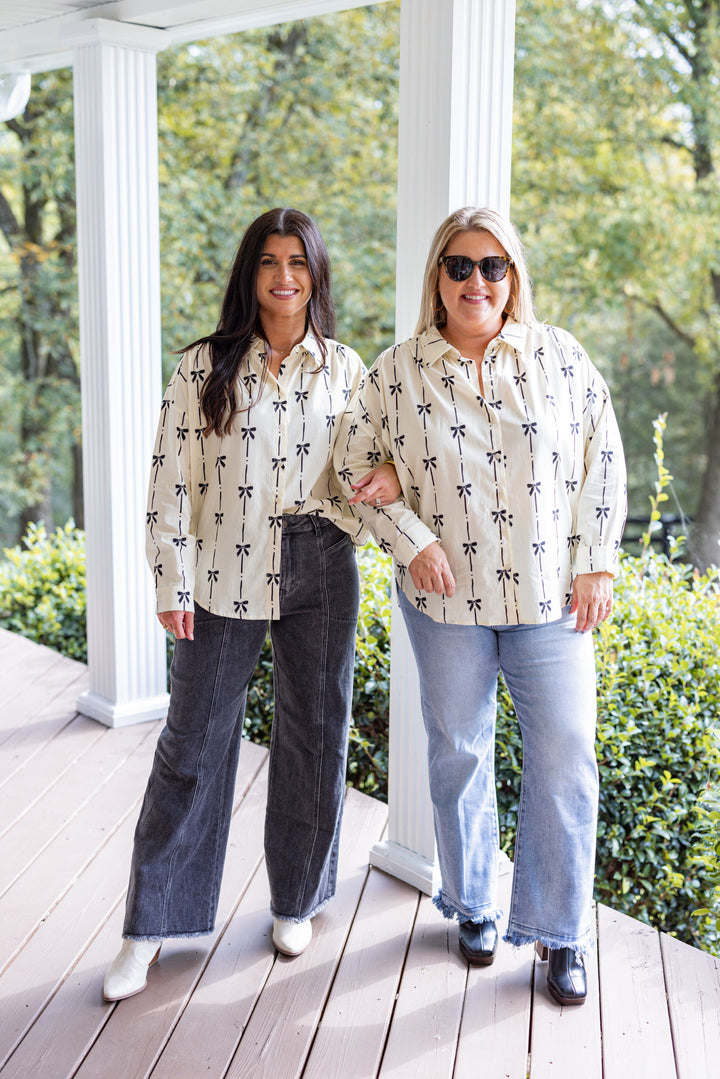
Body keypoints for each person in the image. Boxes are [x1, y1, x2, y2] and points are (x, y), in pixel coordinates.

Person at [103, 207, 399, 1002]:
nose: (284, 275)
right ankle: (149, 926)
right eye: (269, 260)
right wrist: (172, 580)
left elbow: (373, 466)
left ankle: (296, 899)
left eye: (298, 261)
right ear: (251, 272)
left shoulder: (345, 368)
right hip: (222, 570)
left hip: (322, 564)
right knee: (191, 745)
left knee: (314, 734)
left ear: (316, 273)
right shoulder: (204, 367)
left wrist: (392, 498)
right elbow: (168, 482)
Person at [336, 207, 627, 1007]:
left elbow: (603, 453)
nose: (477, 282)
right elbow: (350, 463)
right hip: (446, 603)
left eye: (493, 266)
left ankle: (561, 932)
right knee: (459, 750)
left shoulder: (559, 356)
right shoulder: (396, 373)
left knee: (567, 754)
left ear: (514, 277)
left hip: (548, 600)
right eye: (459, 266)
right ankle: (472, 903)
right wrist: (410, 538)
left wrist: (596, 560)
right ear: (437, 276)